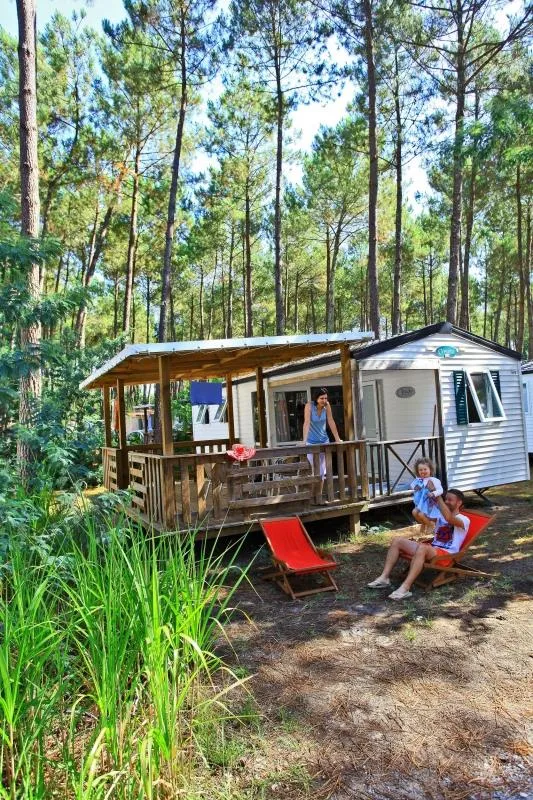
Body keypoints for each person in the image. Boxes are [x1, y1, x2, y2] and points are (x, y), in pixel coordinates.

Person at [366, 488, 470, 600]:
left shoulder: (464, 520)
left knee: (423, 548)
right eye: (446, 499)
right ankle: (384, 578)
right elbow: (423, 515)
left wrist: (438, 496)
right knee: (397, 541)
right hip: (432, 550)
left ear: (459, 503)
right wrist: (423, 503)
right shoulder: (440, 515)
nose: (446, 502)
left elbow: (449, 518)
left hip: (446, 555)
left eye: (450, 500)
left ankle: (405, 588)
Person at [303, 388, 342, 501]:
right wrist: (304, 441)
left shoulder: (327, 406)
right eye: (321, 398)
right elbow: (306, 423)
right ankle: (312, 496)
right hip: (311, 443)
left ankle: (318, 497)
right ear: (316, 398)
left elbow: (331, 421)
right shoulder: (309, 406)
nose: (324, 400)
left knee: (322, 471)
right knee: (317, 471)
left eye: (325, 398)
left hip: (324, 441)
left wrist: (337, 439)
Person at [410, 458, 443, 532]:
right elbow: (412, 485)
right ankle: (424, 523)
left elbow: (441, 490)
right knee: (414, 512)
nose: (423, 471)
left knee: (421, 514)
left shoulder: (434, 480)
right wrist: (415, 487)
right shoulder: (418, 480)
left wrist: (433, 493)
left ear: (430, 469)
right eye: (420, 470)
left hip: (430, 504)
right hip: (421, 503)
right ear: (418, 471)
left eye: (425, 469)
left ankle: (430, 525)